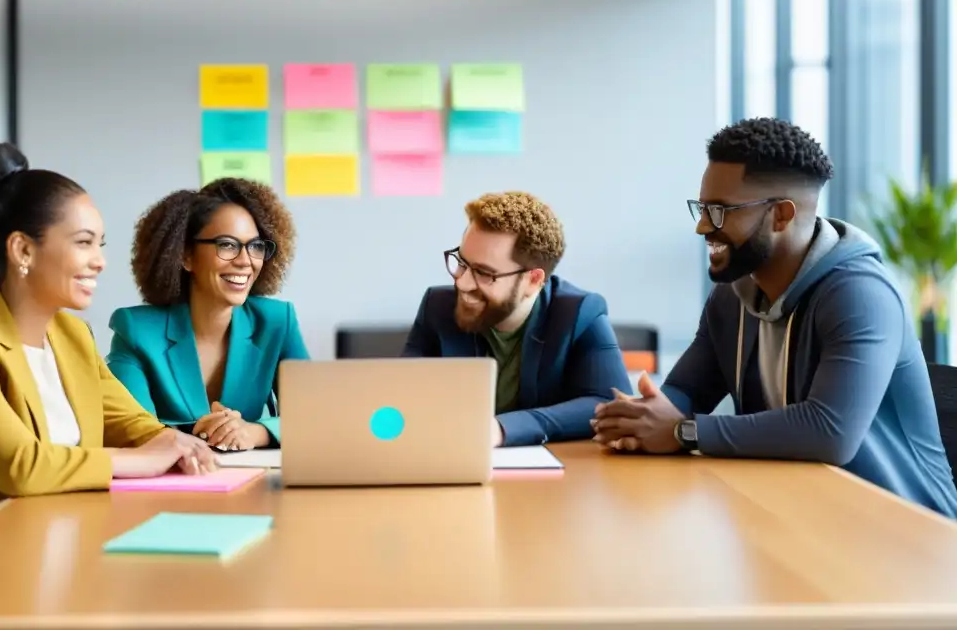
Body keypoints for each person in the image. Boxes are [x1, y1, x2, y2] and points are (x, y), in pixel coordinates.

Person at [593, 118, 957, 517]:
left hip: (902, 530)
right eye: (702, 208)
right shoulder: (731, 297)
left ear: (781, 216)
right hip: (796, 511)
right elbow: (686, 391)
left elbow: (830, 432)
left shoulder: (861, 295)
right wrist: (640, 415)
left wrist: (683, 431)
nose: (702, 226)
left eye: (719, 212)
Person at [0, 143, 215, 540]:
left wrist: (173, 442)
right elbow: (21, 466)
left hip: (63, 534)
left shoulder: (73, 337)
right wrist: (139, 460)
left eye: (100, 244)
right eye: (83, 242)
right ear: (23, 250)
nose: (99, 261)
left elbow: (127, 421)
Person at [403, 191, 631, 447]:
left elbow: (610, 402)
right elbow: (402, 392)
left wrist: (503, 429)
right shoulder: (437, 306)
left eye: (484, 273)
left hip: (552, 478)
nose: (462, 282)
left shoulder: (579, 313)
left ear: (533, 281)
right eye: (462, 263)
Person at [107, 177, 308, 450]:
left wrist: (255, 432)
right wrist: (195, 433)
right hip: (170, 486)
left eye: (256, 246)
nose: (246, 260)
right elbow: (126, 429)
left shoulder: (276, 322)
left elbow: (314, 416)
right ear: (185, 255)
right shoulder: (136, 330)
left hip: (254, 484)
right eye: (227, 245)